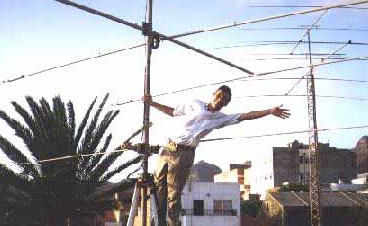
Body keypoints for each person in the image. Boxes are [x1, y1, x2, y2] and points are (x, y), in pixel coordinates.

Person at [124, 85, 290, 226]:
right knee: (159, 188)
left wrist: (269, 111)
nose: (220, 101)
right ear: (213, 95)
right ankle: (158, 222)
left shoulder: (219, 118)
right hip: (167, 148)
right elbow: (173, 111)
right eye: (219, 96)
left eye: (225, 100)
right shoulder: (195, 104)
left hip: (184, 154)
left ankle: (172, 223)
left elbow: (246, 115)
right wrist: (152, 103)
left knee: (173, 194)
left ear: (226, 104)